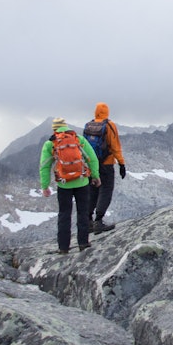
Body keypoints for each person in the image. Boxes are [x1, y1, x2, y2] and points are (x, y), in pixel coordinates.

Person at [40, 117, 101, 254]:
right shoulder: (78, 139)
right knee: (83, 212)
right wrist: (96, 177)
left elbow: (44, 166)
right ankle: (83, 243)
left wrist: (45, 186)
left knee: (64, 214)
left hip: (64, 184)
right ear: (66, 126)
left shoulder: (51, 143)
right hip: (82, 182)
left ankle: (63, 247)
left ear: (54, 129)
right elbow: (92, 158)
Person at [84, 102, 126, 234]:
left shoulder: (88, 125)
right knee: (106, 190)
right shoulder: (109, 125)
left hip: (92, 165)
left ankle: (88, 221)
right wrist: (121, 163)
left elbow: (84, 147)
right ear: (106, 112)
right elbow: (115, 146)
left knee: (92, 190)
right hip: (106, 164)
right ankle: (99, 221)